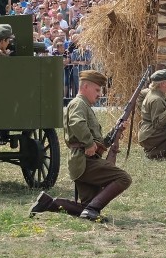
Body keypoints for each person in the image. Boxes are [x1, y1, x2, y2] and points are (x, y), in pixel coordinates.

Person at [30, 70, 132, 220]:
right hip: (85, 161)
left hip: (83, 161)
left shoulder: (84, 106)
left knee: (86, 207)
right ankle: (92, 209)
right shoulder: (78, 104)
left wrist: (115, 131)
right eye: (97, 90)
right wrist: (89, 143)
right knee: (124, 178)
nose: (99, 94)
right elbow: (77, 123)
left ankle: (49, 203)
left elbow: (100, 143)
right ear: (85, 87)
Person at [138, 68, 166, 159]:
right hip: (150, 135)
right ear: (163, 84)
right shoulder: (156, 99)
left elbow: (141, 93)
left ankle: (157, 151)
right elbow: (157, 124)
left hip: (148, 133)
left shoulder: (153, 92)